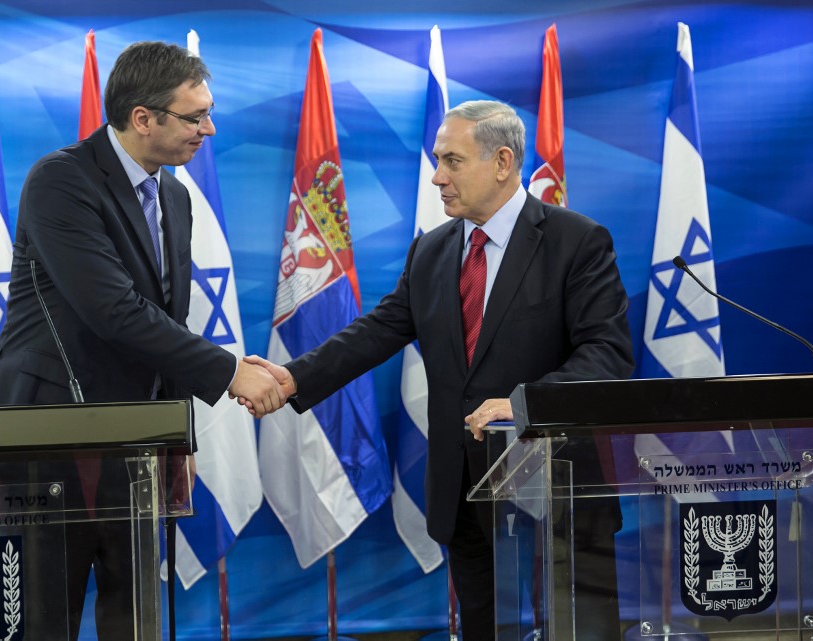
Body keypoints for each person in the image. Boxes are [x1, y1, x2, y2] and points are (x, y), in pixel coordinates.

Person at [244, 100, 634, 640]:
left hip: (559, 481)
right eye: (436, 160)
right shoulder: (431, 250)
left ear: (502, 162)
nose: (437, 176)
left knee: (584, 630)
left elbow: (607, 355)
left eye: (451, 160)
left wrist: (524, 404)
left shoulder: (577, 242)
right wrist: (294, 378)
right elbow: (378, 330)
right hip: (465, 488)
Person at [0, 41, 282, 640]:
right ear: (143, 118)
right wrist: (229, 373)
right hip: (48, 430)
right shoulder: (61, 180)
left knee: (136, 612)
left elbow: (164, 315)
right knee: (46, 615)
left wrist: (178, 433)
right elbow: (113, 309)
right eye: (194, 116)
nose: (209, 128)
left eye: (208, 111)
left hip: (132, 439)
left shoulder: (173, 193)